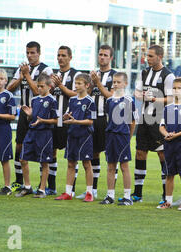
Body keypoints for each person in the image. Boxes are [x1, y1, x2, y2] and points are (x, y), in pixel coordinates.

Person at [7, 41, 53, 193]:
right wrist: (20, 77)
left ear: (39, 53)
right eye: (27, 52)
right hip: (24, 112)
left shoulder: (45, 69)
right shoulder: (22, 69)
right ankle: (20, 182)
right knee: (19, 146)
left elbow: (38, 91)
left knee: (42, 149)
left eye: (33, 52)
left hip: (40, 113)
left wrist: (26, 75)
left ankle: (43, 186)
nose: (30, 55)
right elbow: (9, 89)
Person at [133, 45, 175, 202]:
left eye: (150, 56)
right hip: (144, 118)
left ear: (160, 56)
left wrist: (155, 99)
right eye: (147, 56)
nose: (147, 59)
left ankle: (166, 195)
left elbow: (171, 98)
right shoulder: (144, 73)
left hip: (159, 119)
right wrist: (141, 95)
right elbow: (136, 93)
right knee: (140, 152)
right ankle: (137, 193)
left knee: (162, 154)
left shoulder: (168, 76)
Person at [82, 44, 117, 200]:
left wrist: (98, 83)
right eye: (100, 54)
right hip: (92, 118)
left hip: (106, 118)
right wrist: (92, 84)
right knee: (93, 153)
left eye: (105, 55)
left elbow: (111, 96)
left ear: (111, 58)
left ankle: (111, 192)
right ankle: (93, 189)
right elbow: (87, 94)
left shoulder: (115, 75)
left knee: (110, 155)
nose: (102, 57)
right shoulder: (93, 74)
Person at [15, 73, 59, 198]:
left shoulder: (52, 100)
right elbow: (32, 118)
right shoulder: (34, 100)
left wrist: (43, 121)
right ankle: (27, 186)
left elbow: (56, 120)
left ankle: (42, 189)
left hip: (44, 134)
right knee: (23, 159)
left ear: (49, 86)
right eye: (38, 86)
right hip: (32, 132)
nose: (39, 89)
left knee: (44, 162)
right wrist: (29, 115)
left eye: (41, 86)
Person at [157, 78, 181, 210]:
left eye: (179, 88)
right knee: (169, 173)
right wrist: (166, 134)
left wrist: (177, 135)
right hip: (169, 144)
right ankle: (167, 201)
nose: (176, 90)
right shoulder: (167, 108)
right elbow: (162, 126)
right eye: (174, 88)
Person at [55, 73, 96, 201]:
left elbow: (90, 121)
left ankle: (89, 193)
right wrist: (66, 118)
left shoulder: (90, 101)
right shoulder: (72, 100)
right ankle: (68, 192)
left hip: (84, 136)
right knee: (71, 163)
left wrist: (76, 121)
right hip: (72, 135)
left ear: (87, 85)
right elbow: (68, 114)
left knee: (86, 163)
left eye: (79, 84)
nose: (76, 86)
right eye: (75, 83)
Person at [100, 72, 136, 206]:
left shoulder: (128, 100)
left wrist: (128, 136)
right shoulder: (109, 100)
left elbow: (133, 121)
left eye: (118, 82)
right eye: (114, 82)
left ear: (125, 84)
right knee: (110, 166)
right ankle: (110, 195)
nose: (115, 84)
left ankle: (127, 196)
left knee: (124, 166)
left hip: (122, 137)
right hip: (110, 136)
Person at [51, 46, 81, 196]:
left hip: (69, 121)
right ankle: (51, 186)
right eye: (58, 55)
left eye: (63, 55)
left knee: (72, 157)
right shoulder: (52, 74)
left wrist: (60, 85)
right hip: (54, 120)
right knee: (51, 153)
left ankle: (72, 189)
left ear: (70, 57)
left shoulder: (76, 75)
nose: (60, 58)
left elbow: (77, 95)